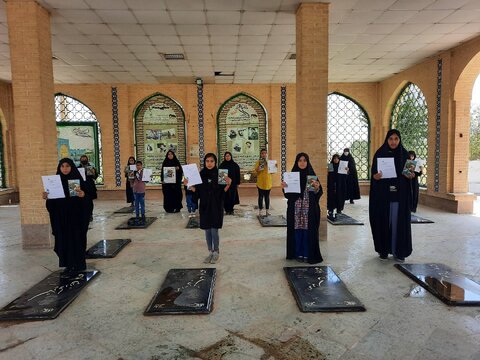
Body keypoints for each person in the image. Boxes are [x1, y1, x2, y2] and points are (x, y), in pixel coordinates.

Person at [369, 129, 413, 262]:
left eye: (396, 139)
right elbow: (374, 175)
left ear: (399, 140)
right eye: (390, 139)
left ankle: (398, 251)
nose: (393, 142)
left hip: (399, 196)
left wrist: (410, 176)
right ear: (387, 140)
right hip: (383, 196)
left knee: (397, 222)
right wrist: (376, 177)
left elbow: (410, 175)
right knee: (383, 221)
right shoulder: (380, 153)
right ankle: (383, 250)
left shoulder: (404, 155)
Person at [43, 158, 90, 273]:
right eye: (62, 166)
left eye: (67, 166)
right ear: (59, 168)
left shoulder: (77, 180)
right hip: (61, 219)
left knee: (76, 241)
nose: (65, 169)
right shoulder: (55, 183)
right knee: (63, 241)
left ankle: (78, 264)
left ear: (72, 167)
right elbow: (51, 205)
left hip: (76, 219)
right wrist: (47, 197)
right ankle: (68, 264)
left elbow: (89, 201)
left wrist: (83, 195)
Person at [184, 153, 231, 264]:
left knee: (214, 230)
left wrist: (228, 184)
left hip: (216, 206)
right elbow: (198, 192)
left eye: (212, 161)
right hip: (205, 206)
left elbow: (222, 192)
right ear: (204, 162)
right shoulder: (201, 175)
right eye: (207, 161)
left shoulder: (220, 174)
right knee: (207, 231)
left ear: (215, 162)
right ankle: (210, 252)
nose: (209, 163)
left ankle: (216, 252)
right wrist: (189, 186)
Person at [282, 153, 323, 264]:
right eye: (300, 160)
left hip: (308, 209)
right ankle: (297, 253)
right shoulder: (292, 176)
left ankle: (307, 254)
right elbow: (288, 196)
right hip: (295, 209)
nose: (302, 162)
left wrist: (316, 188)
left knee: (307, 229)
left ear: (307, 161)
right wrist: (285, 188)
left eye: (304, 160)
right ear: (296, 162)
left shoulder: (311, 176)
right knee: (297, 229)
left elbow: (317, 194)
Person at [327, 154, 347, 220]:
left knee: (339, 197)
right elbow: (329, 176)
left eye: (337, 158)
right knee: (331, 197)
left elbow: (345, 176)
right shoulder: (330, 165)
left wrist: (347, 170)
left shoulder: (341, 166)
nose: (336, 160)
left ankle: (339, 210)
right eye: (335, 158)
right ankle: (331, 210)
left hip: (340, 185)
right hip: (332, 185)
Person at [78, 155, 98, 221]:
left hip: (89, 187)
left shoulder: (91, 167)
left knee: (89, 202)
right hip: (81, 187)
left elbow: (95, 177)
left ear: (87, 160)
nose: (84, 160)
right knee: (81, 202)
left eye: (85, 159)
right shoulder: (77, 168)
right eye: (82, 159)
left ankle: (90, 215)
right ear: (80, 160)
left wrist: (93, 173)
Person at [254, 148, 272, 217]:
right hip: (260, 183)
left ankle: (267, 211)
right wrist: (259, 167)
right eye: (262, 153)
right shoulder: (258, 162)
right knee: (260, 197)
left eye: (265, 153)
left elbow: (273, 171)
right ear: (260, 154)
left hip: (268, 182)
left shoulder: (270, 162)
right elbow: (256, 171)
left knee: (267, 197)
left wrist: (274, 166)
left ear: (267, 154)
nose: (264, 154)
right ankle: (260, 211)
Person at [131, 160, 148, 224]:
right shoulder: (134, 172)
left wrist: (148, 177)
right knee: (136, 204)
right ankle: (137, 216)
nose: (138, 166)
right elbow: (131, 180)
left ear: (141, 166)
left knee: (142, 203)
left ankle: (143, 215)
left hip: (141, 190)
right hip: (135, 190)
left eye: (139, 165)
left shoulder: (144, 172)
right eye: (137, 165)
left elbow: (146, 181)